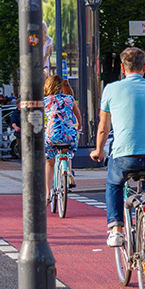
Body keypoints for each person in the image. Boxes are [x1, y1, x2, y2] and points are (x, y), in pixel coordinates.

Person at [90, 47, 145, 279]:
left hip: (125, 156)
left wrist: (98, 150)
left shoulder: (111, 89)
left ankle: (116, 229)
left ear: (122, 68)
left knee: (114, 184)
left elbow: (104, 127)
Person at [43, 75, 82, 203]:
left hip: (52, 135)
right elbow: (78, 117)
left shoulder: (45, 100)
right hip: (69, 134)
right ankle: (69, 172)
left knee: (49, 161)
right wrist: (79, 127)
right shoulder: (70, 98)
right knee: (67, 151)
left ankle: (48, 193)